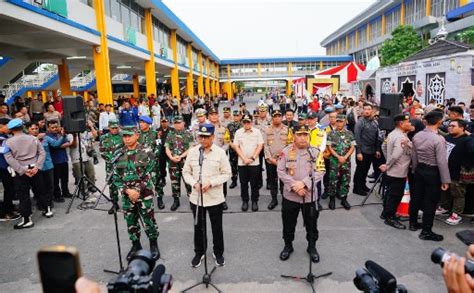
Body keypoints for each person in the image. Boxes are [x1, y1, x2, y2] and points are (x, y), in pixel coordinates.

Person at [182, 123, 231, 267]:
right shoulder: (193, 152)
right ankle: (199, 252)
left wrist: (211, 182)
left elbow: (227, 173)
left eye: (206, 137)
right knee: (199, 227)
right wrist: (194, 183)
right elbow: (186, 172)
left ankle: (218, 252)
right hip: (197, 198)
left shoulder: (220, 152)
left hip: (215, 197)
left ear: (213, 137)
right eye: (201, 137)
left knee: (217, 227)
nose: (203, 140)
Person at [112, 126, 160, 261]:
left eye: (129, 135)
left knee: (148, 220)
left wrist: (137, 190)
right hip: (127, 195)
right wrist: (127, 191)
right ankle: (136, 245)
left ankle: (153, 244)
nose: (126, 139)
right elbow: (115, 177)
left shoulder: (147, 151)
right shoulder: (119, 154)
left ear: (137, 135)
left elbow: (151, 174)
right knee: (130, 221)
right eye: (124, 136)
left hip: (144, 194)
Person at [277, 125, 323, 263]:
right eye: (299, 134)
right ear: (294, 136)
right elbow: (280, 171)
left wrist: (303, 183)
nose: (303, 137)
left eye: (305, 134)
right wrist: (295, 186)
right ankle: (288, 245)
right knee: (288, 223)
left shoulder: (315, 152)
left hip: (309, 196)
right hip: (290, 196)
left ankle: (312, 247)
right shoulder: (286, 152)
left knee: (311, 224)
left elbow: (320, 171)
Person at [410, 110, 450, 241]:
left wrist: (416, 170)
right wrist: (445, 180)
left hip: (420, 169)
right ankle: (426, 231)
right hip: (433, 172)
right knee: (430, 202)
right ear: (439, 122)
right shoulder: (439, 139)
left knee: (416, 197)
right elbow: (441, 161)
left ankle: (413, 223)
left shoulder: (417, 136)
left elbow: (414, 156)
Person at [4, 118, 46, 229]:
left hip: (20, 171)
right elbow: (42, 153)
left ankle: (27, 220)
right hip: (34, 168)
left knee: (23, 195)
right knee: (40, 190)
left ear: (11, 130)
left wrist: (22, 170)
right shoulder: (33, 138)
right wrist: (37, 166)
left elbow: (9, 159)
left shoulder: (7, 142)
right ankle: (47, 210)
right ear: (23, 127)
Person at [379, 114, 413, 229]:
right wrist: (388, 164)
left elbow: (383, 146)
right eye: (408, 122)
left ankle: (385, 213)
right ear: (401, 123)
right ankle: (390, 217)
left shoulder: (392, 134)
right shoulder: (400, 137)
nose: (410, 124)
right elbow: (396, 154)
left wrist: (388, 161)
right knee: (395, 196)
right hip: (398, 171)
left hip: (392, 170)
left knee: (389, 193)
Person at [27, 121, 67, 218]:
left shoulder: (45, 138)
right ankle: (41, 204)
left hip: (48, 165)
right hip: (36, 167)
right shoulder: (27, 139)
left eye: (36, 128)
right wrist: (35, 138)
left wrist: (63, 136)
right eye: (32, 129)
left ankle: (48, 204)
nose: (35, 130)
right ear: (28, 130)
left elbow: (56, 144)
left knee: (50, 186)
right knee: (39, 187)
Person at [440, 119, 474, 225]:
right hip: (445, 171)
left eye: (453, 126)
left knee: (458, 194)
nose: (450, 127)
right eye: (449, 125)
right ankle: (445, 208)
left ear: (462, 128)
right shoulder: (448, 137)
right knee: (445, 191)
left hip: (458, 173)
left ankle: (456, 214)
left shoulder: (467, 140)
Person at [233, 114, 264, 212]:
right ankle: (245, 201)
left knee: (254, 183)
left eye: (248, 122)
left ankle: (254, 201)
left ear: (251, 122)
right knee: (243, 183)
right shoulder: (238, 132)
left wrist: (252, 158)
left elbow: (260, 145)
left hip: (254, 162)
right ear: (242, 123)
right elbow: (236, 146)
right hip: (242, 163)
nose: (247, 124)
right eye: (245, 122)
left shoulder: (257, 132)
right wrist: (243, 158)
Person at [263, 110, 292, 210]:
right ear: (272, 118)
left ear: (281, 117)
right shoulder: (267, 130)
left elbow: (290, 145)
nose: (277, 118)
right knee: (273, 181)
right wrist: (270, 158)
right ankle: (274, 199)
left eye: (279, 116)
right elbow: (265, 145)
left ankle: (285, 199)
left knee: (284, 181)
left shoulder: (287, 129)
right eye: (275, 116)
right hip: (271, 161)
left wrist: (283, 159)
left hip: (284, 161)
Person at [326, 114, 355, 210]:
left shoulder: (350, 133)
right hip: (334, 161)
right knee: (332, 180)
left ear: (345, 122)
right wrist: (338, 156)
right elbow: (329, 147)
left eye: (341, 121)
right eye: (337, 121)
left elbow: (352, 146)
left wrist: (345, 157)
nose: (339, 123)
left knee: (345, 180)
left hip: (346, 162)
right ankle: (332, 199)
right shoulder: (331, 133)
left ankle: (344, 199)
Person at [165, 115, 194, 211]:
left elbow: (191, 148)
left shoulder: (189, 134)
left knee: (188, 182)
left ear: (183, 123)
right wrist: (171, 157)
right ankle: (176, 201)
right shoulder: (170, 134)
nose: (177, 125)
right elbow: (167, 147)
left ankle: (192, 200)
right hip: (173, 163)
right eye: (176, 123)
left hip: (185, 162)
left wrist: (181, 156)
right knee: (174, 183)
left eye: (179, 123)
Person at [353, 104, 382, 196]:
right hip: (362, 150)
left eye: (369, 109)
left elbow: (378, 137)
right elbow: (357, 138)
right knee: (360, 170)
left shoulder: (375, 122)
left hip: (372, 150)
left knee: (366, 169)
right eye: (365, 109)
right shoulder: (360, 122)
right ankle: (357, 188)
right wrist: (358, 152)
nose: (367, 111)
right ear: (362, 111)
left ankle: (363, 185)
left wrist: (377, 149)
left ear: (372, 111)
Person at [207, 108, 230, 210]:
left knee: (222, 179)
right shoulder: (204, 128)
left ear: (218, 116)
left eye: (216, 114)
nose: (214, 116)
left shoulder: (224, 129)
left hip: (220, 158)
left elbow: (227, 143)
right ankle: (210, 199)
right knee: (209, 177)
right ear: (209, 117)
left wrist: (219, 152)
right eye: (212, 115)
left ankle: (222, 200)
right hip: (207, 157)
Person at [99, 120, 123, 212]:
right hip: (110, 166)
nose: (114, 129)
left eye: (116, 128)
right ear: (109, 128)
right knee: (112, 186)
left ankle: (128, 204)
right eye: (112, 128)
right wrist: (111, 159)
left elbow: (126, 148)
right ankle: (114, 204)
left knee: (125, 184)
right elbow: (102, 151)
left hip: (122, 165)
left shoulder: (123, 136)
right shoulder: (104, 138)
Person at [68, 120, 98, 195]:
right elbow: (74, 145)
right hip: (77, 157)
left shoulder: (86, 132)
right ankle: (83, 190)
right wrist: (75, 136)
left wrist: (91, 126)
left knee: (91, 173)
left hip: (87, 156)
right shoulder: (70, 134)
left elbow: (95, 135)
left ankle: (91, 186)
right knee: (80, 175)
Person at [47, 120, 72, 202]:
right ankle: (57, 195)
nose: (55, 129)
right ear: (48, 128)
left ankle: (65, 192)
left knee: (65, 178)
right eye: (52, 127)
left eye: (56, 127)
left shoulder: (60, 135)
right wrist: (58, 144)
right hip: (55, 161)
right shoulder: (47, 137)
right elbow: (54, 146)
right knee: (56, 180)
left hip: (64, 159)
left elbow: (68, 143)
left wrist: (58, 144)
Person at [0, 118, 20, 221]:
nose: (10, 128)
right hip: (3, 167)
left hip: (6, 166)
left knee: (11, 188)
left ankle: (9, 207)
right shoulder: (1, 139)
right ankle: (5, 212)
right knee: (9, 189)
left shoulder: (5, 137)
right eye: (8, 126)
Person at [155, 118, 173, 209]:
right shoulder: (157, 131)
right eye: (162, 122)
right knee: (161, 168)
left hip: (169, 152)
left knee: (171, 168)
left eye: (165, 122)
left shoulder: (172, 130)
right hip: (161, 152)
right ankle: (163, 178)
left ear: (168, 122)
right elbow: (156, 142)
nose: (164, 123)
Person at [227, 110, 242, 189]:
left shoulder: (244, 124)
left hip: (242, 149)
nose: (236, 117)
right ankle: (234, 181)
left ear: (240, 116)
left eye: (237, 116)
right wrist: (232, 145)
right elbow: (226, 137)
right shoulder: (229, 125)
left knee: (242, 165)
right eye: (235, 116)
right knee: (233, 165)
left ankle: (243, 181)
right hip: (232, 148)